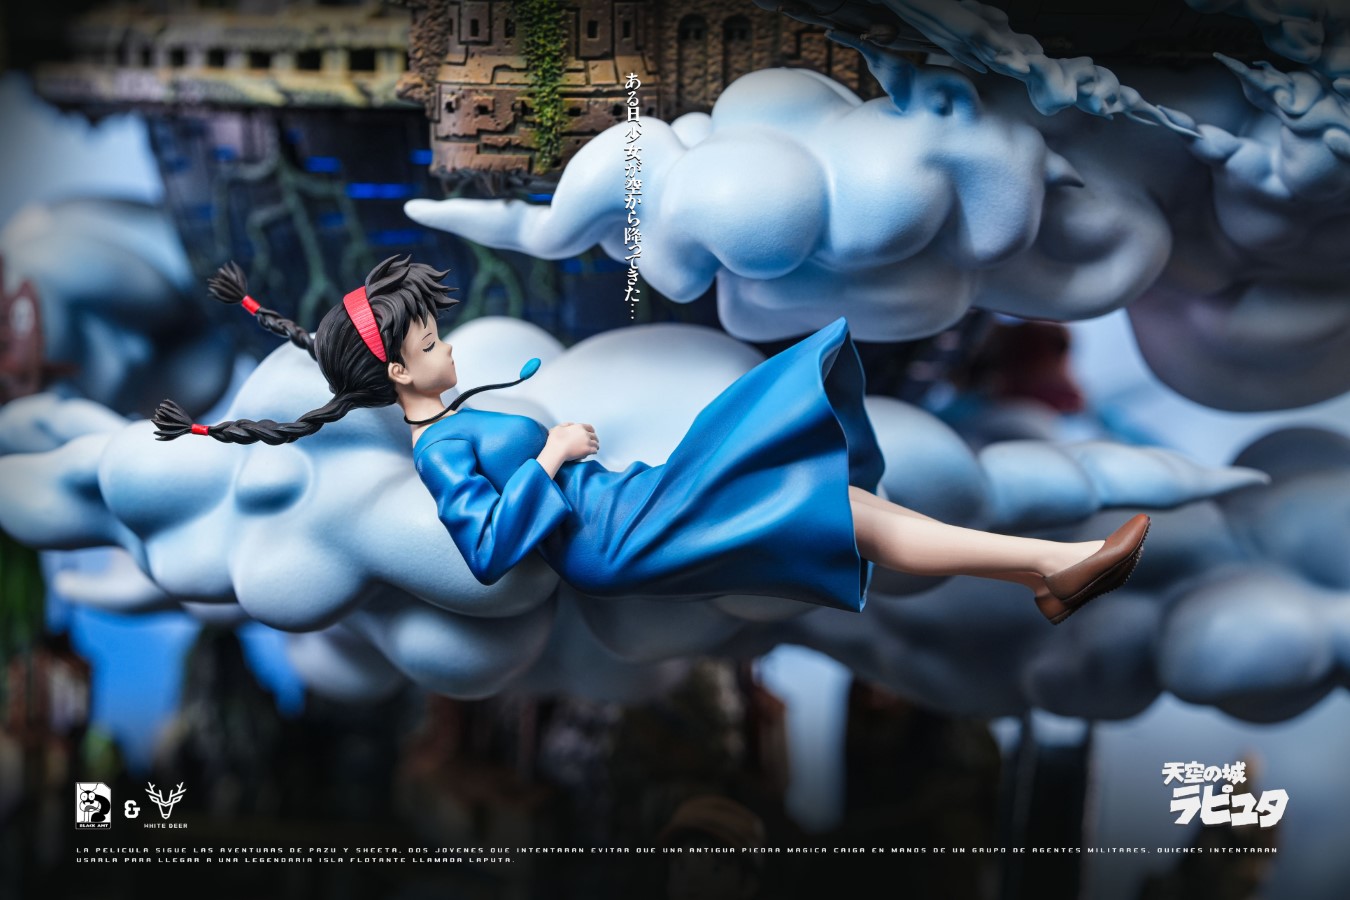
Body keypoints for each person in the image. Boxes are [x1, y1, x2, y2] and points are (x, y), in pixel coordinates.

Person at [153, 256, 1149, 623]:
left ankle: (1048, 570)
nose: (444, 344)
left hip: (631, 498)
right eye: (427, 341)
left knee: (819, 468)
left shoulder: (455, 420)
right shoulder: (437, 451)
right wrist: (552, 457)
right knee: (838, 510)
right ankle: (1050, 567)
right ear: (402, 375)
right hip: (613, 536)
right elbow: (488, 550)